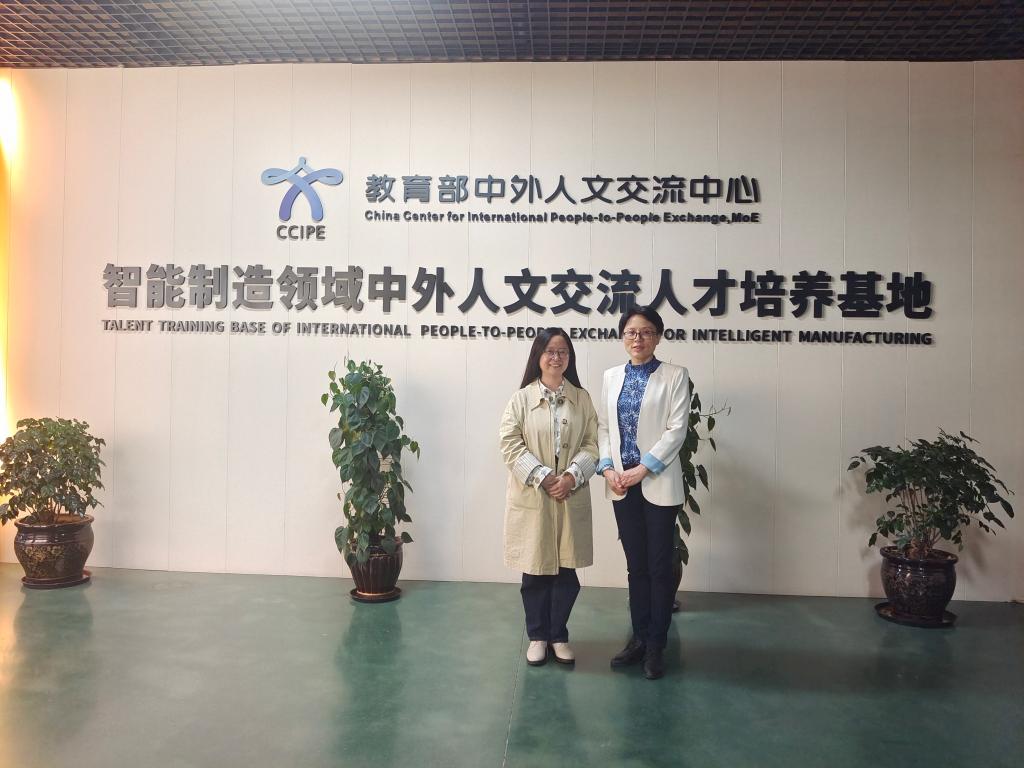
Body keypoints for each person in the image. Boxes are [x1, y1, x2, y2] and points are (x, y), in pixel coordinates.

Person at [597, 306, 690, 680]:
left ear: (658, 336)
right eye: (631, 332)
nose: (638, 338)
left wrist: (643, 468)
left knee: (658, 567)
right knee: (635, 566)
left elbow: (676, 430)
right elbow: (604, 428)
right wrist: (608, 468)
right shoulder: (611, 376)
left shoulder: (675, 376)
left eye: (647, 332)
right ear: (623, 337)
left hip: (657, 482)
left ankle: (656, 645)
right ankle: (638, 638)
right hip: (621, 485)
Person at [500, 328, 599, 667]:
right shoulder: (520, 400)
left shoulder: (582, 399)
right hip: (535, 497)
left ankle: (559, 636)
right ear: (538, 356)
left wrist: (571, 476)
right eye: (550, 351)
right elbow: (510, 444)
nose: (556, 357)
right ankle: (538, 637)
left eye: (563, 352)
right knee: (535, 571)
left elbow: (592, 444)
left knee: (566, 572)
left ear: (569, 358)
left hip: (570, 494)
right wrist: (543, 477)